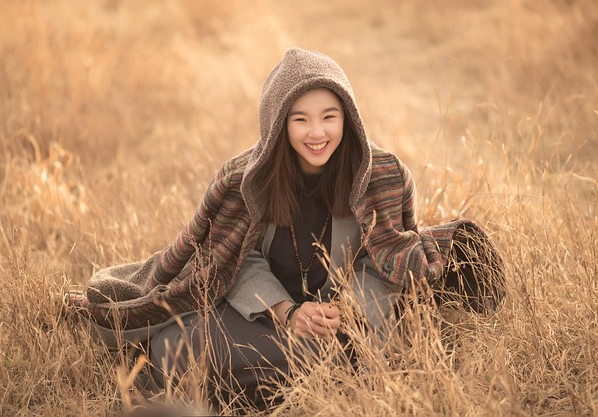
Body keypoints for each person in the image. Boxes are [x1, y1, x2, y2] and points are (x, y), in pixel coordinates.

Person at [67, 48, 503, 410]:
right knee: (172, 351)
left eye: (329, 117)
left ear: (348, 118)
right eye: (301, 120)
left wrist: (344, 310)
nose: (318, 133)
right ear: (278, 123)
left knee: (356, 351)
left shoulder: (382, 175)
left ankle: (294, 381)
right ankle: (311, 380)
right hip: (264, 319)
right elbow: (233, 260)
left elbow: (385, 260)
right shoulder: (244, 180)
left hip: (345, 328)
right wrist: (287, 312)